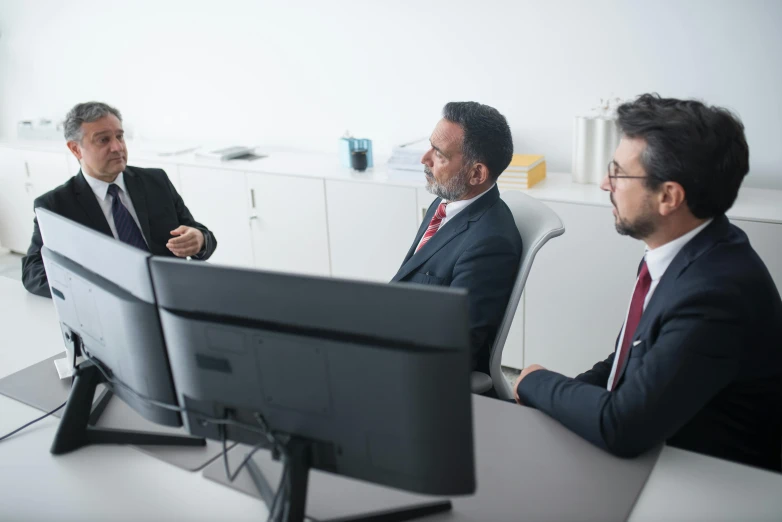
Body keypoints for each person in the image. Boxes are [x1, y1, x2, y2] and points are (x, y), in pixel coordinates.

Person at [514, 94, 782, 472]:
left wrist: (536, 383)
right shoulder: (686, 249)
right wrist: (561, 395)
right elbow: (625, 359)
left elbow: (624, 426)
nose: (606, 183)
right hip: (660, 450)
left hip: (710, 479)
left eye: (619, 173)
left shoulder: (716, 293)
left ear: (669, 196)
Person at [22, 101, 217, 297]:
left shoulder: (156, 181)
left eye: (119, 136)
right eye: (103, 140)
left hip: (173, 294)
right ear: (75, 149)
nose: (117, 147)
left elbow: (199, 233)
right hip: (111, 304)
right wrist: (90, 288)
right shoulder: (55, 205)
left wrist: (200, 240)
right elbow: (33, 271)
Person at [392, 102, 523, 381]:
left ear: (477, 174)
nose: (424, 159)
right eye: (430, 146)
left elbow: (455, 348)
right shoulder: (445, 203)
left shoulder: (490, 244)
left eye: (438, 154)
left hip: (416, 372)